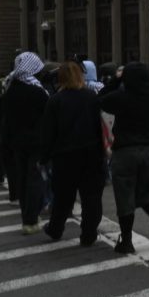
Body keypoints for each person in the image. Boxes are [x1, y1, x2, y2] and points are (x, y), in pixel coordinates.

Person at [100, 62, 149, 253]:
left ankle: (127, 239)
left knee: (124, 194)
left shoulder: (121, 97)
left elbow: (101, 99)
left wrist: (116, 80)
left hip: (125, 149)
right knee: (146, 191)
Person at [39, 62, 107, 246]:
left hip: (64, 155)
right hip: (91, 153)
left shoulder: (55, 100)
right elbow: (99, 126)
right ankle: (88, 233)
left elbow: (48, 132)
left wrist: (44, 156)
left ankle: (55, 228)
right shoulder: (91, 97)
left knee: (63, 196)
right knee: (91, 197)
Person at [0, 52, 50, 234]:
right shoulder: (38, 92)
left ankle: (26, 219)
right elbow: (48, 117)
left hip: (16, 143)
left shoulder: (9, 91)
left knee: (22, 179)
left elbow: (3, 120)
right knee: (36, 179)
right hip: (36, 142)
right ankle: (32, 218)